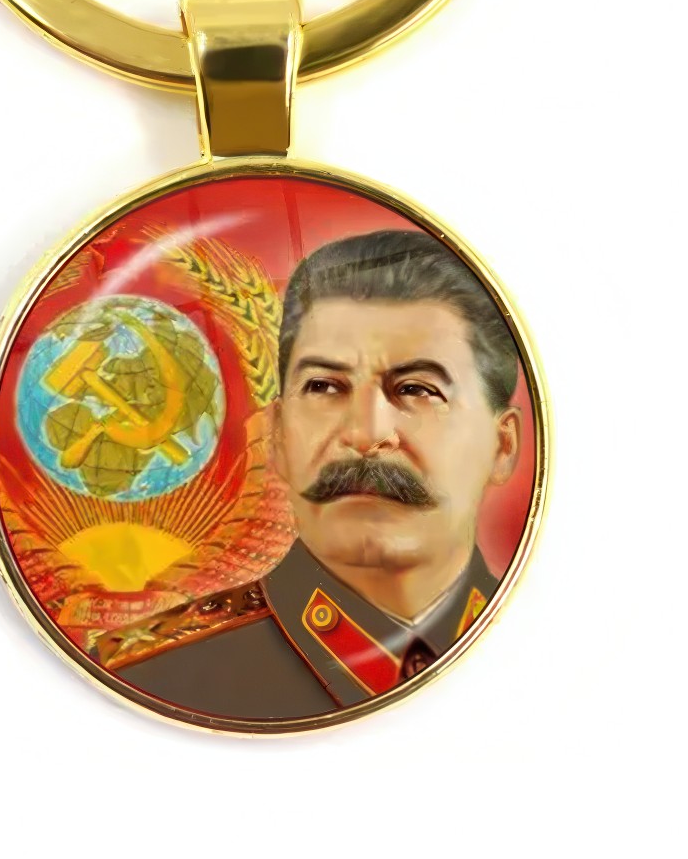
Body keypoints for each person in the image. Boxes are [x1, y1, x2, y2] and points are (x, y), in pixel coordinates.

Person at [91, 229, 522, 721]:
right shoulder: (141, 683)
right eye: (324, 386)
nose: (365, 433)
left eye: (418, 389)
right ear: (276, 435)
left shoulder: (566, 658)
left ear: (502, 446)